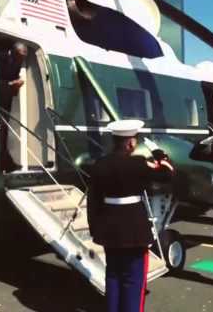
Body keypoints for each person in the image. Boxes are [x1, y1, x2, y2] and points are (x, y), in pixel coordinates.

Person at [87, 120, 175, 312]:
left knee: (113, 277)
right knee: (134, 281)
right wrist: (159, 153)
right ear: (130, 143)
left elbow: (92, 200)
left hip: (109, 229)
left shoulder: (100, 164)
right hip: (134, 230)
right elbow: (168, 173)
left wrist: (95, 229)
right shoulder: (138, 164)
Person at [0, 41, 28, 172]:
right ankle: (3, 162)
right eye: (21, 56)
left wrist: (16, 84)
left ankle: (5, 162)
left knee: (4, 131)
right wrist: (10, 84)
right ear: (13, 51)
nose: (22, 59)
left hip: (6, 99)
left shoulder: (18, 61)